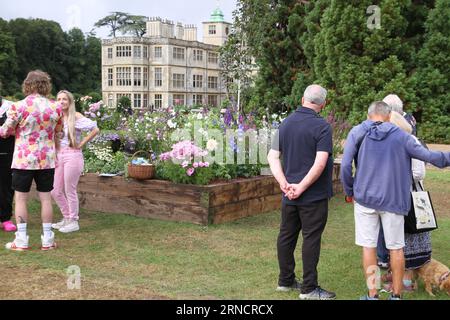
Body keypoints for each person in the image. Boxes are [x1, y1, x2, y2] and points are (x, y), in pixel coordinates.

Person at [341, 101, 450, 300]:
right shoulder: (402, 136)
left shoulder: (357, 132)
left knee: (369, 247)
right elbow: (431, 157)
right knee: (396, 248)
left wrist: (349, 190)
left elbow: (346, 165)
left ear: (368, 115)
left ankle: (373, 294)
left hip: (365, 199)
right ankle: (396, 295)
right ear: (389, 116)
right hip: (393, 200)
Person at [268, 84, 336, 300]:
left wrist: (284, 183)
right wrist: (299, 186)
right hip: (312, 195)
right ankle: (308, 289)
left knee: (286, 236)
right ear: (323, 104)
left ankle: (285, 281)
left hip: (290, 193)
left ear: (302, 99)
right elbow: (320, 163)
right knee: (311, 238)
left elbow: (272, 156)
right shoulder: (322, 127)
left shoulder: (285, 124)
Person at [0, 70, 63, 251]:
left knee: (20, 199)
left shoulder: (18, 106)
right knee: (45, 199)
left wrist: (15, 130)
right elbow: (58, 133)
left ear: (27, 85)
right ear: (46, 85)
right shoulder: (56, 108)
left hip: (23, 160)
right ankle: (48, 240)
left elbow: (4, 132)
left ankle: (21, 240)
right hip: (46, 160)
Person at [382, 111, 432, 293]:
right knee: (397, 242)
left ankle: (407, 284)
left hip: (412, 200)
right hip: (395, 199)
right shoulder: (391, 143)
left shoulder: (412, 141)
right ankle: (398, 279)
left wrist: (395, 176)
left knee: (409, 243)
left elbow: (419, 172)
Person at [51, 90, 99, 233]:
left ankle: (73, 221)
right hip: (59, 155)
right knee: (55, 190)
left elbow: (95, 129)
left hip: (73, 155)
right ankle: (66, 218)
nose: (61, 101)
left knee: (69, 189)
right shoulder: (57, 118)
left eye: (64, 99)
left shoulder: (76, 116)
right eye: (59, 99)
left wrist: (81, 143)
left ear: (70, 101)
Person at [0, 96, 17, 232]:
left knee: (6, 186)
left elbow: (20, 129)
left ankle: (5, 218)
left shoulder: (11, 107)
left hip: (6, 153)